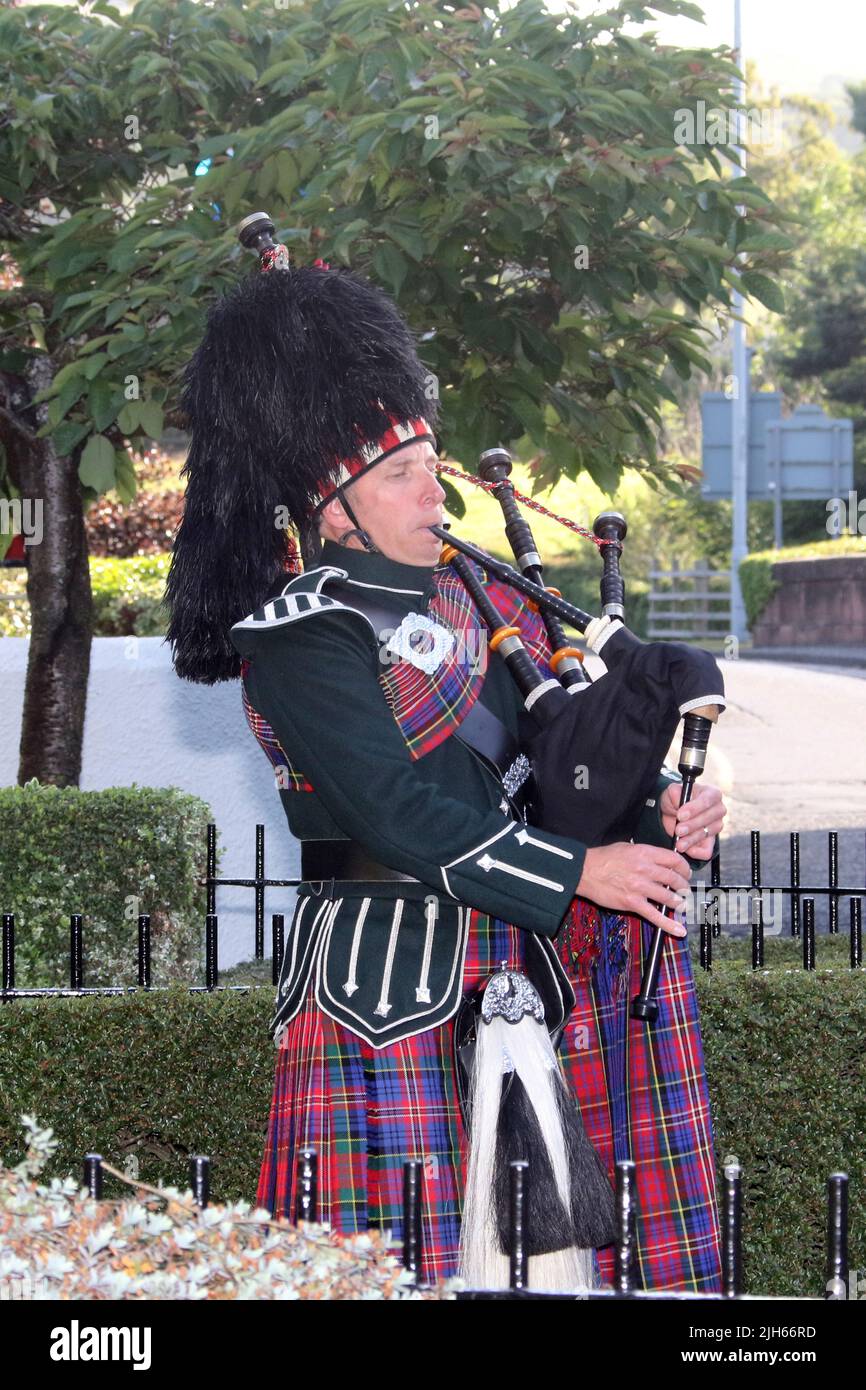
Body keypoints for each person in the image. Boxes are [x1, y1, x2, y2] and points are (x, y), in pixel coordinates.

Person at [164, 245, 727, 1291]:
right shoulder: (299, 634)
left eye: (431, 464)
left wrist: (659, 814)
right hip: (386, 985)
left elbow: (564, 770)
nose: (436, 491)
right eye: (400, 475)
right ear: (334, 508)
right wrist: (575, 875)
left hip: (520, 969)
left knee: (544, 1270)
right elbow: (390, 805)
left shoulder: (486, 602)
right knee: (399, 1272)